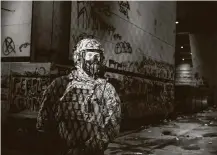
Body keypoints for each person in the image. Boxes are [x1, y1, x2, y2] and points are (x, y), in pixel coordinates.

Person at [36, 38, 121, 155]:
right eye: (90, 55)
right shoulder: (59, 85)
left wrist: (90, 146)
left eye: (98, 56)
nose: (95, 59)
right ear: (78, 57)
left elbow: (113, 124)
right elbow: (44, 120)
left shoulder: (106, 88)